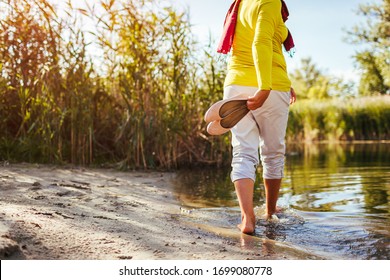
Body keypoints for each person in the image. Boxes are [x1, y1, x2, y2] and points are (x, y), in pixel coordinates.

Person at [217, 0, 297, 234]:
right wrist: (265, 86)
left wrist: (284, 82)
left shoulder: (240, 4)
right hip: (268, 87)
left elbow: (266, 46)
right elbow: (261, 41)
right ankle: (270, 212)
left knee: (243, 151)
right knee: (273, 152)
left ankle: (247, 218)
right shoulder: (269, 1)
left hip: (236, 84)